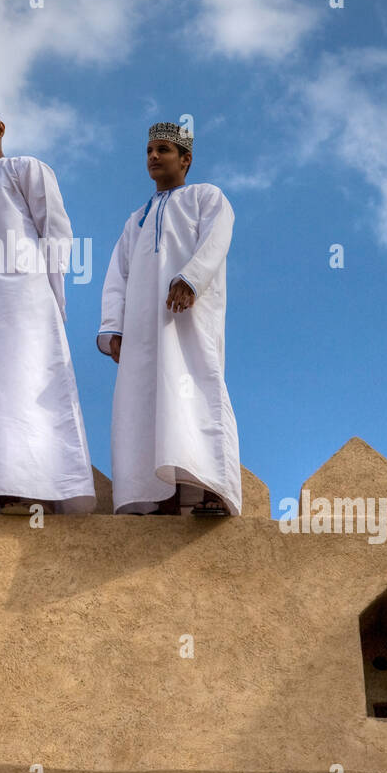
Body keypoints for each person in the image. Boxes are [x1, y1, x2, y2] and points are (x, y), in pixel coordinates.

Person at [0, 94, 95, 514]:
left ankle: (38, 485)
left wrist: (52, 295)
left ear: (1, 129)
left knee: (28, 380)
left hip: (27, 301)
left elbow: (57, 231)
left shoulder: (26, 169)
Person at [97, 123, 241, 516]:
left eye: (163, 149)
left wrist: (189, 280)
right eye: (148, 151)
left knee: (196, 393)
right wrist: (115, 327)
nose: (154, 157)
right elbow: (117, 277)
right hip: (144, 331)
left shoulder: (206, 197)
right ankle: (166, 496)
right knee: (151, 406)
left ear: (186, 159)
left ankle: (213, 491)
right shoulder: (136, 220)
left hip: (188, 319)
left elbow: (216, 240)